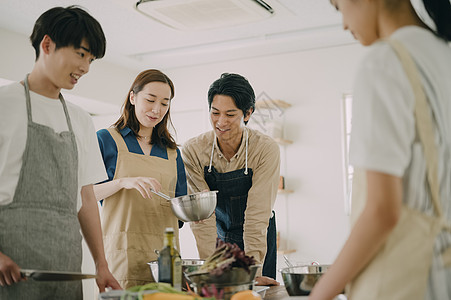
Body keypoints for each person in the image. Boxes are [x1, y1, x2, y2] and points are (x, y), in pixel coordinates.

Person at [310, 1, 451, 299]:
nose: (344, 24)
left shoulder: (385, 61)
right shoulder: (443, 54)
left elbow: (382, 211)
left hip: (400, 280)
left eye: (339, 8)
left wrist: (320, 294)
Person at [0, 6, 121, 299]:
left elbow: (87, 199)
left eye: (91, 60)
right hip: (8, 266)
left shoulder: (80, 119)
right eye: (81, 54)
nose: (86, 68)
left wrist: (101, 264)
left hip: (64, 266)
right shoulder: (4, 105)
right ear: (47, 44)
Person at [182, 73, 280, 286]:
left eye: (230, 114)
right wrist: (209, 268)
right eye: (215, 113)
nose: (221, 122)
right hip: (218, 233)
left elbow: (257, 215)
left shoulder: (264, 149)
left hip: (258, 234)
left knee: (255, 293)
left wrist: (252, 271)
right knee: (218, 290)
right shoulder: (194, 150)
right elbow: (202, 218)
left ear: (248, 113)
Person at [94, 69, 187, 289]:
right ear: (133, 97)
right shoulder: (106, 139)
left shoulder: (173, 151)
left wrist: (197, 207)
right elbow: (83, 196)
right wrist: (122, 182)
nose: (157, 109)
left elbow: (180, 213)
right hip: (120, 255)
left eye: (165, 103)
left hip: (165, 260)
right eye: (151, 99)